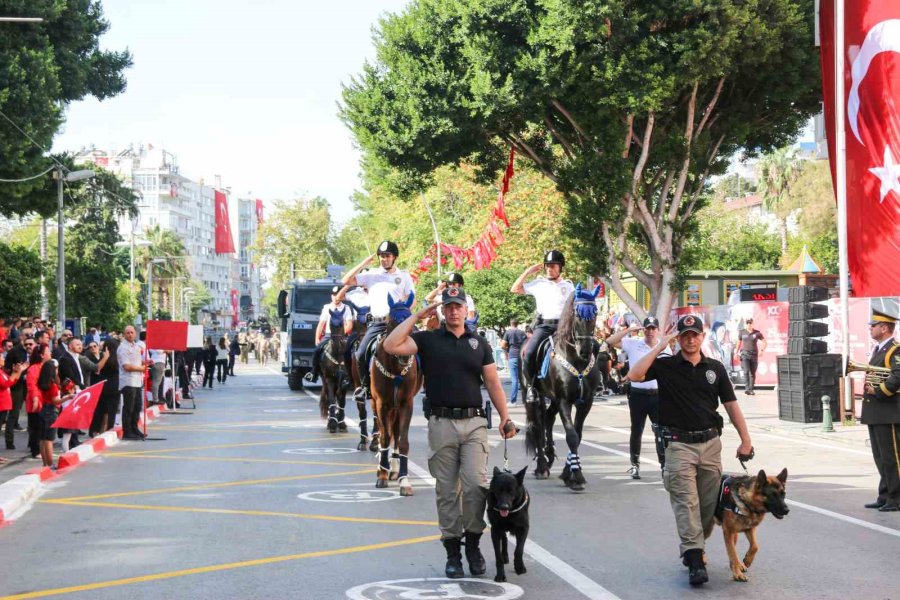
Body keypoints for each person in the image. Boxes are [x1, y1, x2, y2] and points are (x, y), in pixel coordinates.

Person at [383, 285, 515, 579]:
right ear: (442, 311)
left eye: (458, 306)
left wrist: (506, 418)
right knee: (446, 491)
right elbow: (392, 345)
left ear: (467, 310)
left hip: (474, 424)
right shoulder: (427, 340)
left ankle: (473, 546)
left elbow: (493, 383)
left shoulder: (479, 343)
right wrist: (419, 313)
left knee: (475, 487)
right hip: (441, 424)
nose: (454, 311)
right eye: (448, 306)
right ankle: (453, 551)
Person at [627, 314, 753, 586]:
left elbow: (731, 405)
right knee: (687, 503)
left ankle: (692, 547)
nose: (690, 339)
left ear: (702, 336)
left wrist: (746, 440)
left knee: (707, 509)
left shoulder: (715, 369)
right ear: (678, 339)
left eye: (695, 334)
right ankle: (695, 560)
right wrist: (661, 345)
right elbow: (634, 375)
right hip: (679, 445)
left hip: (710, 445)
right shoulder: (666, 365)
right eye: (685, 335)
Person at [343, 241, 415, 399]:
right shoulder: (371, 275)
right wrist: (363, 263)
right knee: (360, 353)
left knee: (420, 349)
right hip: (378, 323)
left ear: (394, 257)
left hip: (398, 324)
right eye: (381, 256)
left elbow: (412, 299)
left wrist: (404, 314)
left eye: (387, 256)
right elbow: (346, 280)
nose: (384, 259)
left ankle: (423, 385)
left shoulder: (403, 276)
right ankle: (364, 387)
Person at [607, 316, 670, 479]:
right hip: (638, 394)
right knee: (637, 430)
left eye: (653, 329)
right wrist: (629, 330)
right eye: (647, 328)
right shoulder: (634, 343)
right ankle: (635, 464)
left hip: (657, 395)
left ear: (658, 330)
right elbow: (610, 341)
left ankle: (664, 466)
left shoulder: (664, 346)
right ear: (643, 329)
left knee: (661, 431)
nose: (650, 332)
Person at [511, 250, 574, 399]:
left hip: (565, 326)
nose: (549, 269)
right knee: (529, 353)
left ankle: (593, 382)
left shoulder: (569, 286)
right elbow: (514, 289)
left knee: (589, 347)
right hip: (545, 326)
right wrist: (528, 271)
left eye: (553, 266)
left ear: (560, 268)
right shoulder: (539, 284)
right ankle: (531, 386)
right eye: (547, 266)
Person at [861, 309, 900, 513]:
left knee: (892, 457)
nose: (870, 328)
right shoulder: (879, 349)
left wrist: (878, 391)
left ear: (884, 328)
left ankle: (896, 498)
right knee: (880, 457)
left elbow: (897, 376)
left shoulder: (895, 350)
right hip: (877, 412)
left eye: (873, 325)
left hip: (889, 411)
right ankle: (884, 495)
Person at [306, 286, 354, 384]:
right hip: (328, 335)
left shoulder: (347, 308)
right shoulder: (326, 307)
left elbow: (349, 324)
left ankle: (350, 376)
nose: (336, 297)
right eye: (334, 295)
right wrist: (317, 338)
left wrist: (340, 333)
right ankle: (313, 373)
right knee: (317, 350)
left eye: (338, 295)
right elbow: (321, 324)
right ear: (331, 296)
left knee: (351, 352)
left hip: (342, 336)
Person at [38, 359, 72, 467]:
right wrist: (67, 397)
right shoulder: (52, 385)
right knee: (49, 439)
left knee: (43, 439)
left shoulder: (42, 382)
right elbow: (55, 401)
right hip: (51, 411)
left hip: (43, 409)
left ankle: (45, 463)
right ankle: (50, 463)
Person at [117, 326, 148, 441]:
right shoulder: (122, 348)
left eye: (132, 332)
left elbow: (137, 360)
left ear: (135, 334)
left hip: (137, 381)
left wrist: (145, 362)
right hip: (128, 381)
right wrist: (141, 368)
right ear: (124, 334)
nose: (130, 334)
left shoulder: (136, 346)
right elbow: (126, 366)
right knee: (129, 407)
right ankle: (127, 431)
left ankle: (134, 428)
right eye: (128, 333)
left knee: (137, 406)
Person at [5, 336, 33, 449]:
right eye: (26, 344)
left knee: (33, 413)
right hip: (17, 386)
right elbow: (7, 368)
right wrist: (18, 374)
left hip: (31, 385)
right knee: (14, 413)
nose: (28, 346)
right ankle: (9, 441)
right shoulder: (15, 352)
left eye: (30, 344)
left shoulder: (37, 353)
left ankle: (33, 441)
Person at [0, 352, 28, 463]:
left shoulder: (2, 371)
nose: (3, 359)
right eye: (1, 357)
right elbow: (6, 384)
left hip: (4, 404)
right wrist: (16, 373)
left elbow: (12, 381)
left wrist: (18, 372)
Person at [25, 343, 51, 458]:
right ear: (41, 355)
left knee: (42, 426)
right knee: (36, 427)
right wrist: (35, 399)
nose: (50, 353)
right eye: (48, 352)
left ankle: (40, 449)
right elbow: (32, 385)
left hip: (45, 400)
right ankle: (35, 450)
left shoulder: (47, 366)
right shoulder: (34, 368)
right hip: (36, 400)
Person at [95, 338, 121, 435]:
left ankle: (97, 430)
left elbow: (97, 369)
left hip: (103, 385)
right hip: (115, 386)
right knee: (112, 411)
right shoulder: (118, 358)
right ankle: (109, 429)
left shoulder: (104, 357)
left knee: (101, 410)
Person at [735, 318, 766, 395]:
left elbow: (765, 342)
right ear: (746, 324)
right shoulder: (742, 332)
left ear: (753, 324)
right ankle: (746, 388)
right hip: (745, 354)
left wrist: (762, 350)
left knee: (752, 373)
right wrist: (736, 353)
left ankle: (751, 389)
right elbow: (738, 343)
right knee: (746, 371)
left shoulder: (757, 333)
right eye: (747, 323)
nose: (749, 324)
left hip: (754, 355)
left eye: (750, 323)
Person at [500, 318, 527, 406]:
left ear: (511, 324)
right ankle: (525, 400)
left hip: (512, 356)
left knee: (514, 380)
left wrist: (507, 350)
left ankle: (513, 401)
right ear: (517, 324)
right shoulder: (522, 333)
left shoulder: (508, 333)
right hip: (521, 357)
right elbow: (527, 344)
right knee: (523, 379)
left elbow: (503, 345)